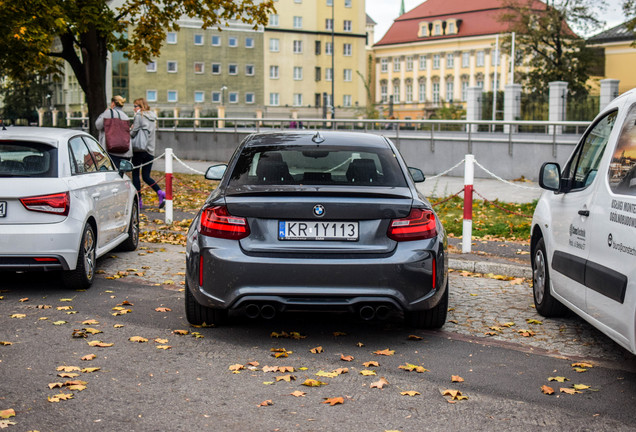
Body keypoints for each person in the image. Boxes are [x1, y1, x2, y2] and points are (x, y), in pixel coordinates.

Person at [130, 98, 165, 209]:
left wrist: (129, 129)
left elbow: (133, 133)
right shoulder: (152, 117)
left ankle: (139, 200)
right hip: (150, 150)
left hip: (139, 149)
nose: (134, 108)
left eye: (135, 106)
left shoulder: (139, 116)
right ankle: (159, 192)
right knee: (146, 176)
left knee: (135, 174)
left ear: (140, 106)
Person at [95, 95, 132, 169]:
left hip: (111, 150)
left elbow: (98, 125)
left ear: (113, 103)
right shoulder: (125, 116)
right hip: (125, 151)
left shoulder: (108, 113)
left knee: (111, 174)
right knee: (120, 175)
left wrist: (104, 113)